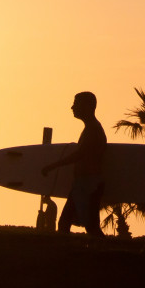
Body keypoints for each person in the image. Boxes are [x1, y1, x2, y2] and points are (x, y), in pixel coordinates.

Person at [41, 92, 106, 237]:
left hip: (89, 185)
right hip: (85, 184)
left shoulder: (93, 130)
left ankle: (71, 256)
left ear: (88, 107)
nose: (72, 107)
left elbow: (80, 154)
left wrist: (52, 166)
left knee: (77, 225)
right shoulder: (90, 128)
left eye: (76, 104)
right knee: (87, 226)